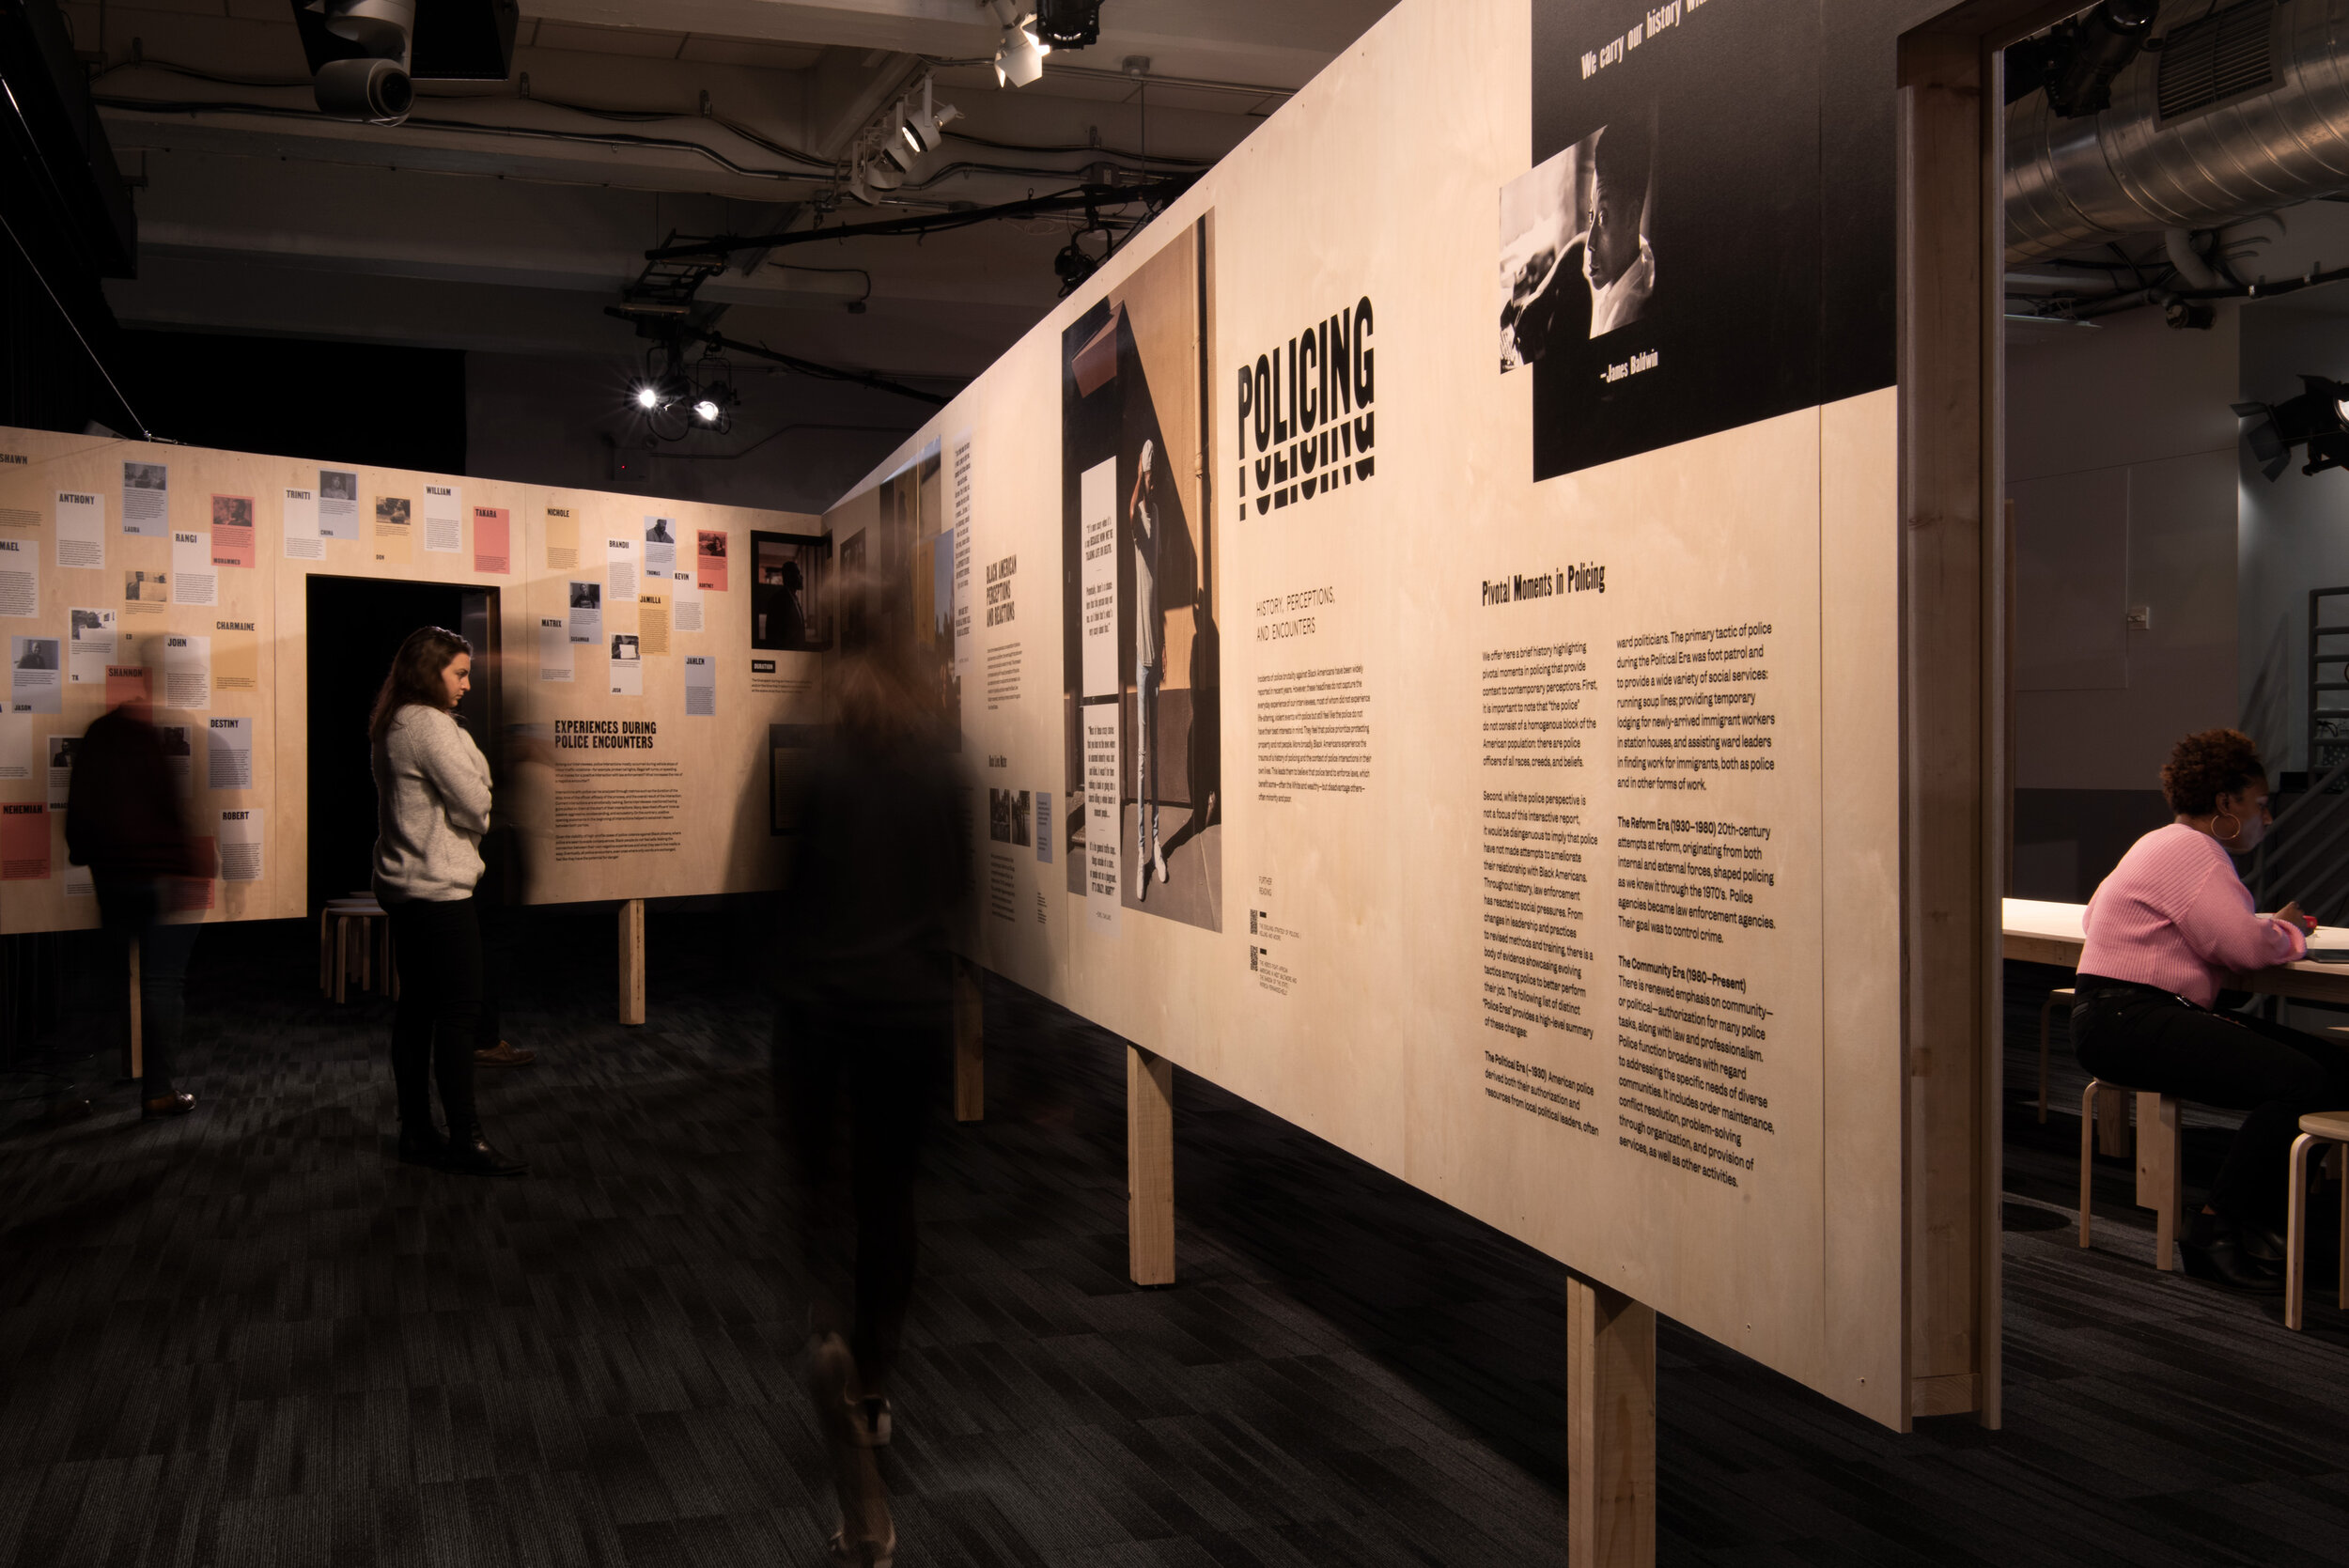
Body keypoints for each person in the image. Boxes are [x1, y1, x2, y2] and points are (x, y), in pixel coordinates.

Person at [773, 622, 969, 1566]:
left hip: (821, 1013)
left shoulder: (818, 767)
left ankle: (827, 1334)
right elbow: (957, 890)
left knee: (819, 1192)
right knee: (890, 1198)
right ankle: (874, 1383)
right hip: (909, 1012)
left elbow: (789, 899)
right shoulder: (937, 765)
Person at [2072, 728, 2349, 1292]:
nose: (2266, 818)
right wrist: (2287, 932)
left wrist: (2252, 928)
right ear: (2226, 803)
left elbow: (2095, 916)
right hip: (2131, 1018)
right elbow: (2243, 948)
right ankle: (2216, 1228)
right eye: (2260, 805)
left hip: (2117, 1017)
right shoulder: (2195, 851)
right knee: (2301, 1080)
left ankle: (2264, 1225)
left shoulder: (2157, 842)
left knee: (2333, 1069)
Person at [368, 626, 525, 1177]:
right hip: (439, 892)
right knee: (459, 1014)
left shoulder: (397, 720)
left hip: (409, 889)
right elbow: (476, 805)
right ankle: (466, 1139)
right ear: (428, 671)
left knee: (417, 1011)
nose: (466, 684)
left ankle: (416, 1132)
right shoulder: (430, 725)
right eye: (459, 673)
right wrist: (477, 785)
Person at [64, 689, 210, 1121]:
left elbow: (78, 815)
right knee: (161, 983)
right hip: (158, 878)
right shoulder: (147, 739)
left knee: (99, 981)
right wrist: (189, 866)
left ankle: (69, 1092)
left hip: (113, 878)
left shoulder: (99, 735)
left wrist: (91, 856)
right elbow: (172, 812)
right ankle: (158, 1093)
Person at [1129, 438, 1167, 900]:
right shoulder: (1139, 521)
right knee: (1140, 761)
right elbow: (1129, 512)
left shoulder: (1158, 519)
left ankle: (1157, 844)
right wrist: (1138, 475)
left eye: (1154, 475)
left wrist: (1166, 649)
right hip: (1140, 660)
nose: (1152, 482)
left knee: (1155, 755)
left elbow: (1160, 588)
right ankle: (1139, 853)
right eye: (1149, 474)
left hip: (1156, 659)